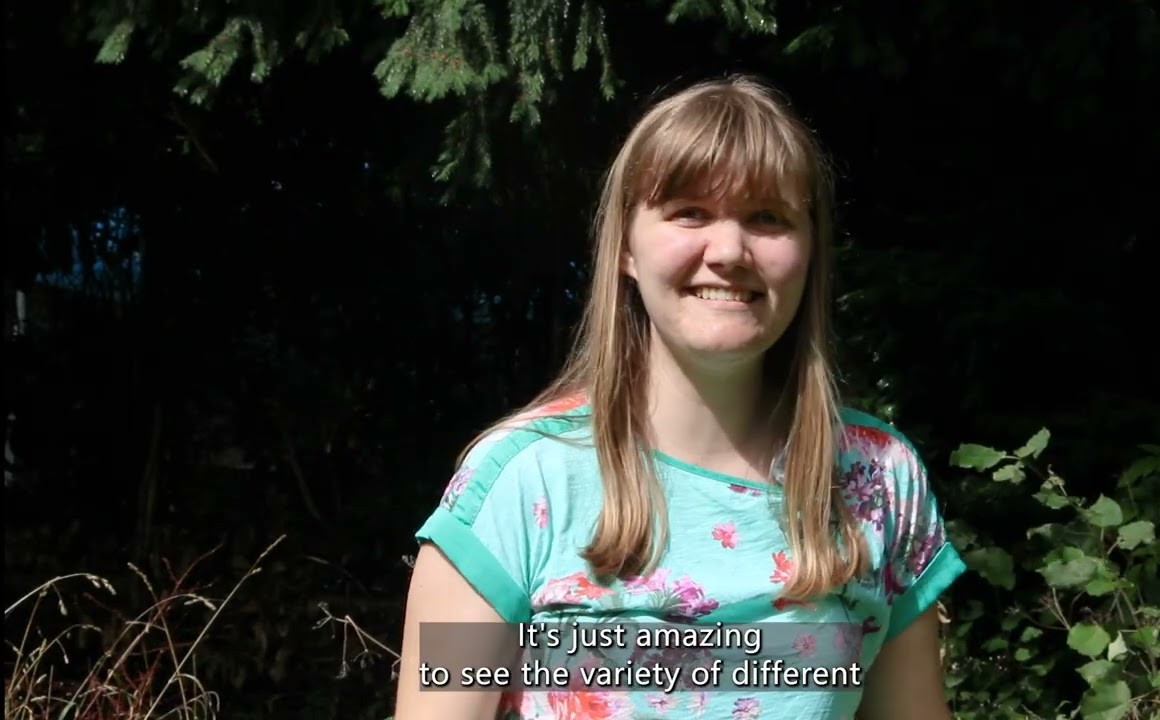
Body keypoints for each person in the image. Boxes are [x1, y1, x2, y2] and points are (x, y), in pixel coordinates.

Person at [393, 74, 966, 719]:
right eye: (689, 212)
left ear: (810, 252)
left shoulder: (878, 479)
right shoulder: (522, 481)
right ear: (626, 249)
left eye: (768, 218)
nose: (729, 251)